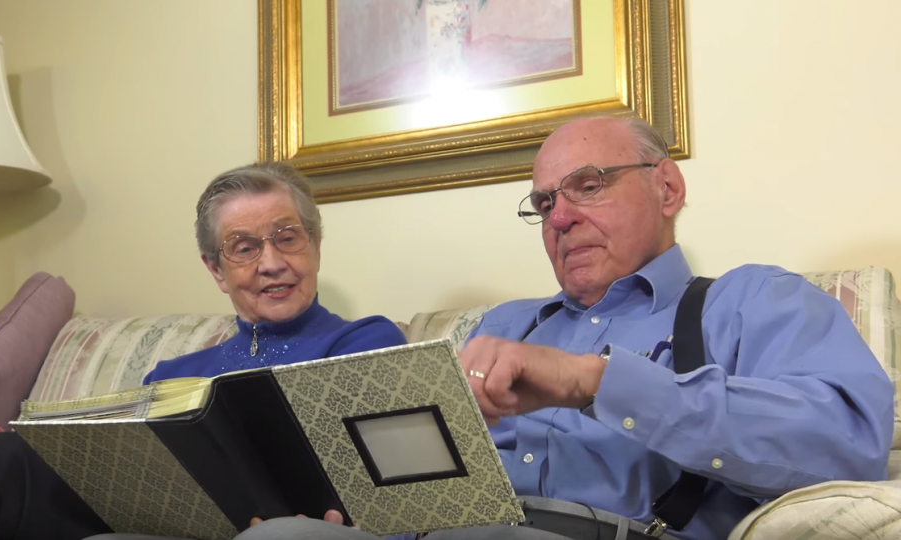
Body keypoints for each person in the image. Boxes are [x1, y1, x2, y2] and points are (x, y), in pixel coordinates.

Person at [236, 116, 894, 540]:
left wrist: (591, 381)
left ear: (666, 189)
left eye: (587, 185)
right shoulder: (504, 324)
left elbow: (849, 444)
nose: (559, 218)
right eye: (546, 202)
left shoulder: (752, 300)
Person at [0, 162, 408, 540]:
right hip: (163, 523)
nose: (270, 262)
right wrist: (46, 452)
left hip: (298, 527)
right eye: (244, 248)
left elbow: (391, 482)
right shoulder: (171, 375)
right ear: (216, 271)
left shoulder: (367, 341)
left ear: (315, 244)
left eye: (287, 237)